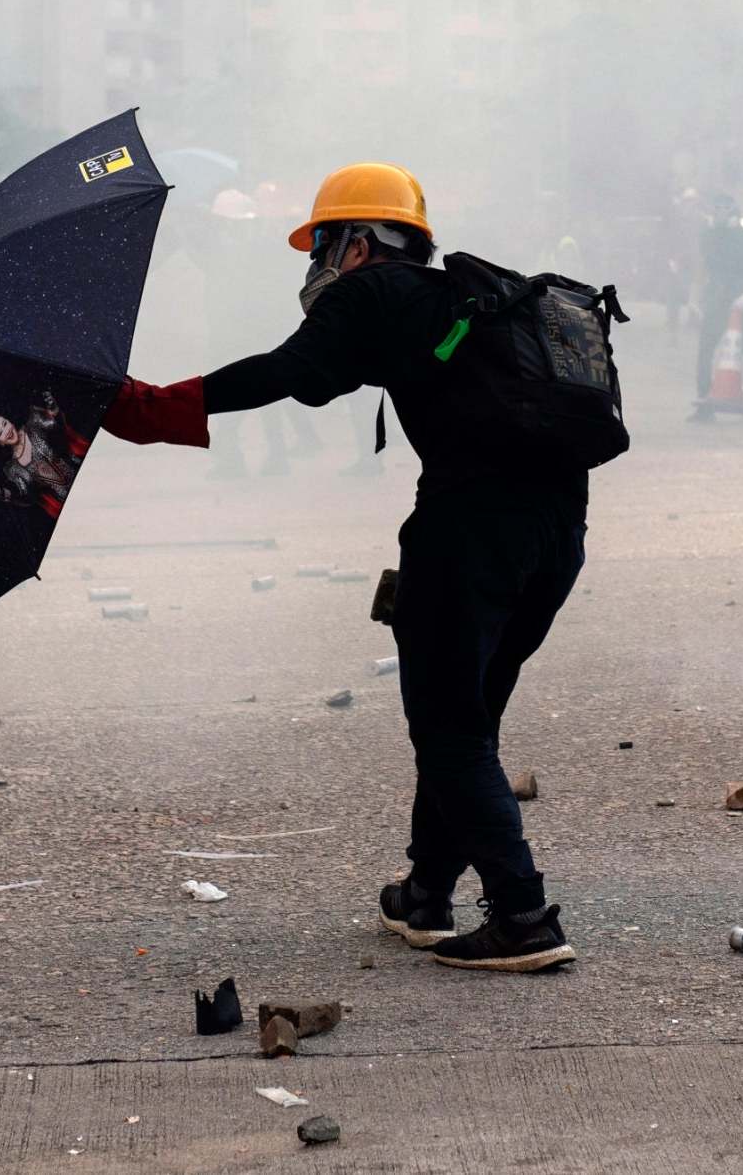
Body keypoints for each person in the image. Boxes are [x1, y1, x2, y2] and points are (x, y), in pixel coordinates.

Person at [100, 162, 586, 973]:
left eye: (321, 243)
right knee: (468, 721)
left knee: (449, 728)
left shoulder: (373, 295)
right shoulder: (460, 303)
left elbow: (290, 373)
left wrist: (153, 407)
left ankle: (522, 913)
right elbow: (328, 379)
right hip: (557, 535)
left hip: (465, 536)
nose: (316, 263)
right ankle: (426, 893)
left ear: (360, 241)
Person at [692, 192, 743, 418]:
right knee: (706, 347)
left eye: (725, 207)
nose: (720, 211)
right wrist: (694, 297)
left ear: (733, 211)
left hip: (742, 297)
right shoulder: (709, 236)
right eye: (716, 207)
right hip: (716, 295)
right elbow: (702, 268)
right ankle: (704, 402)